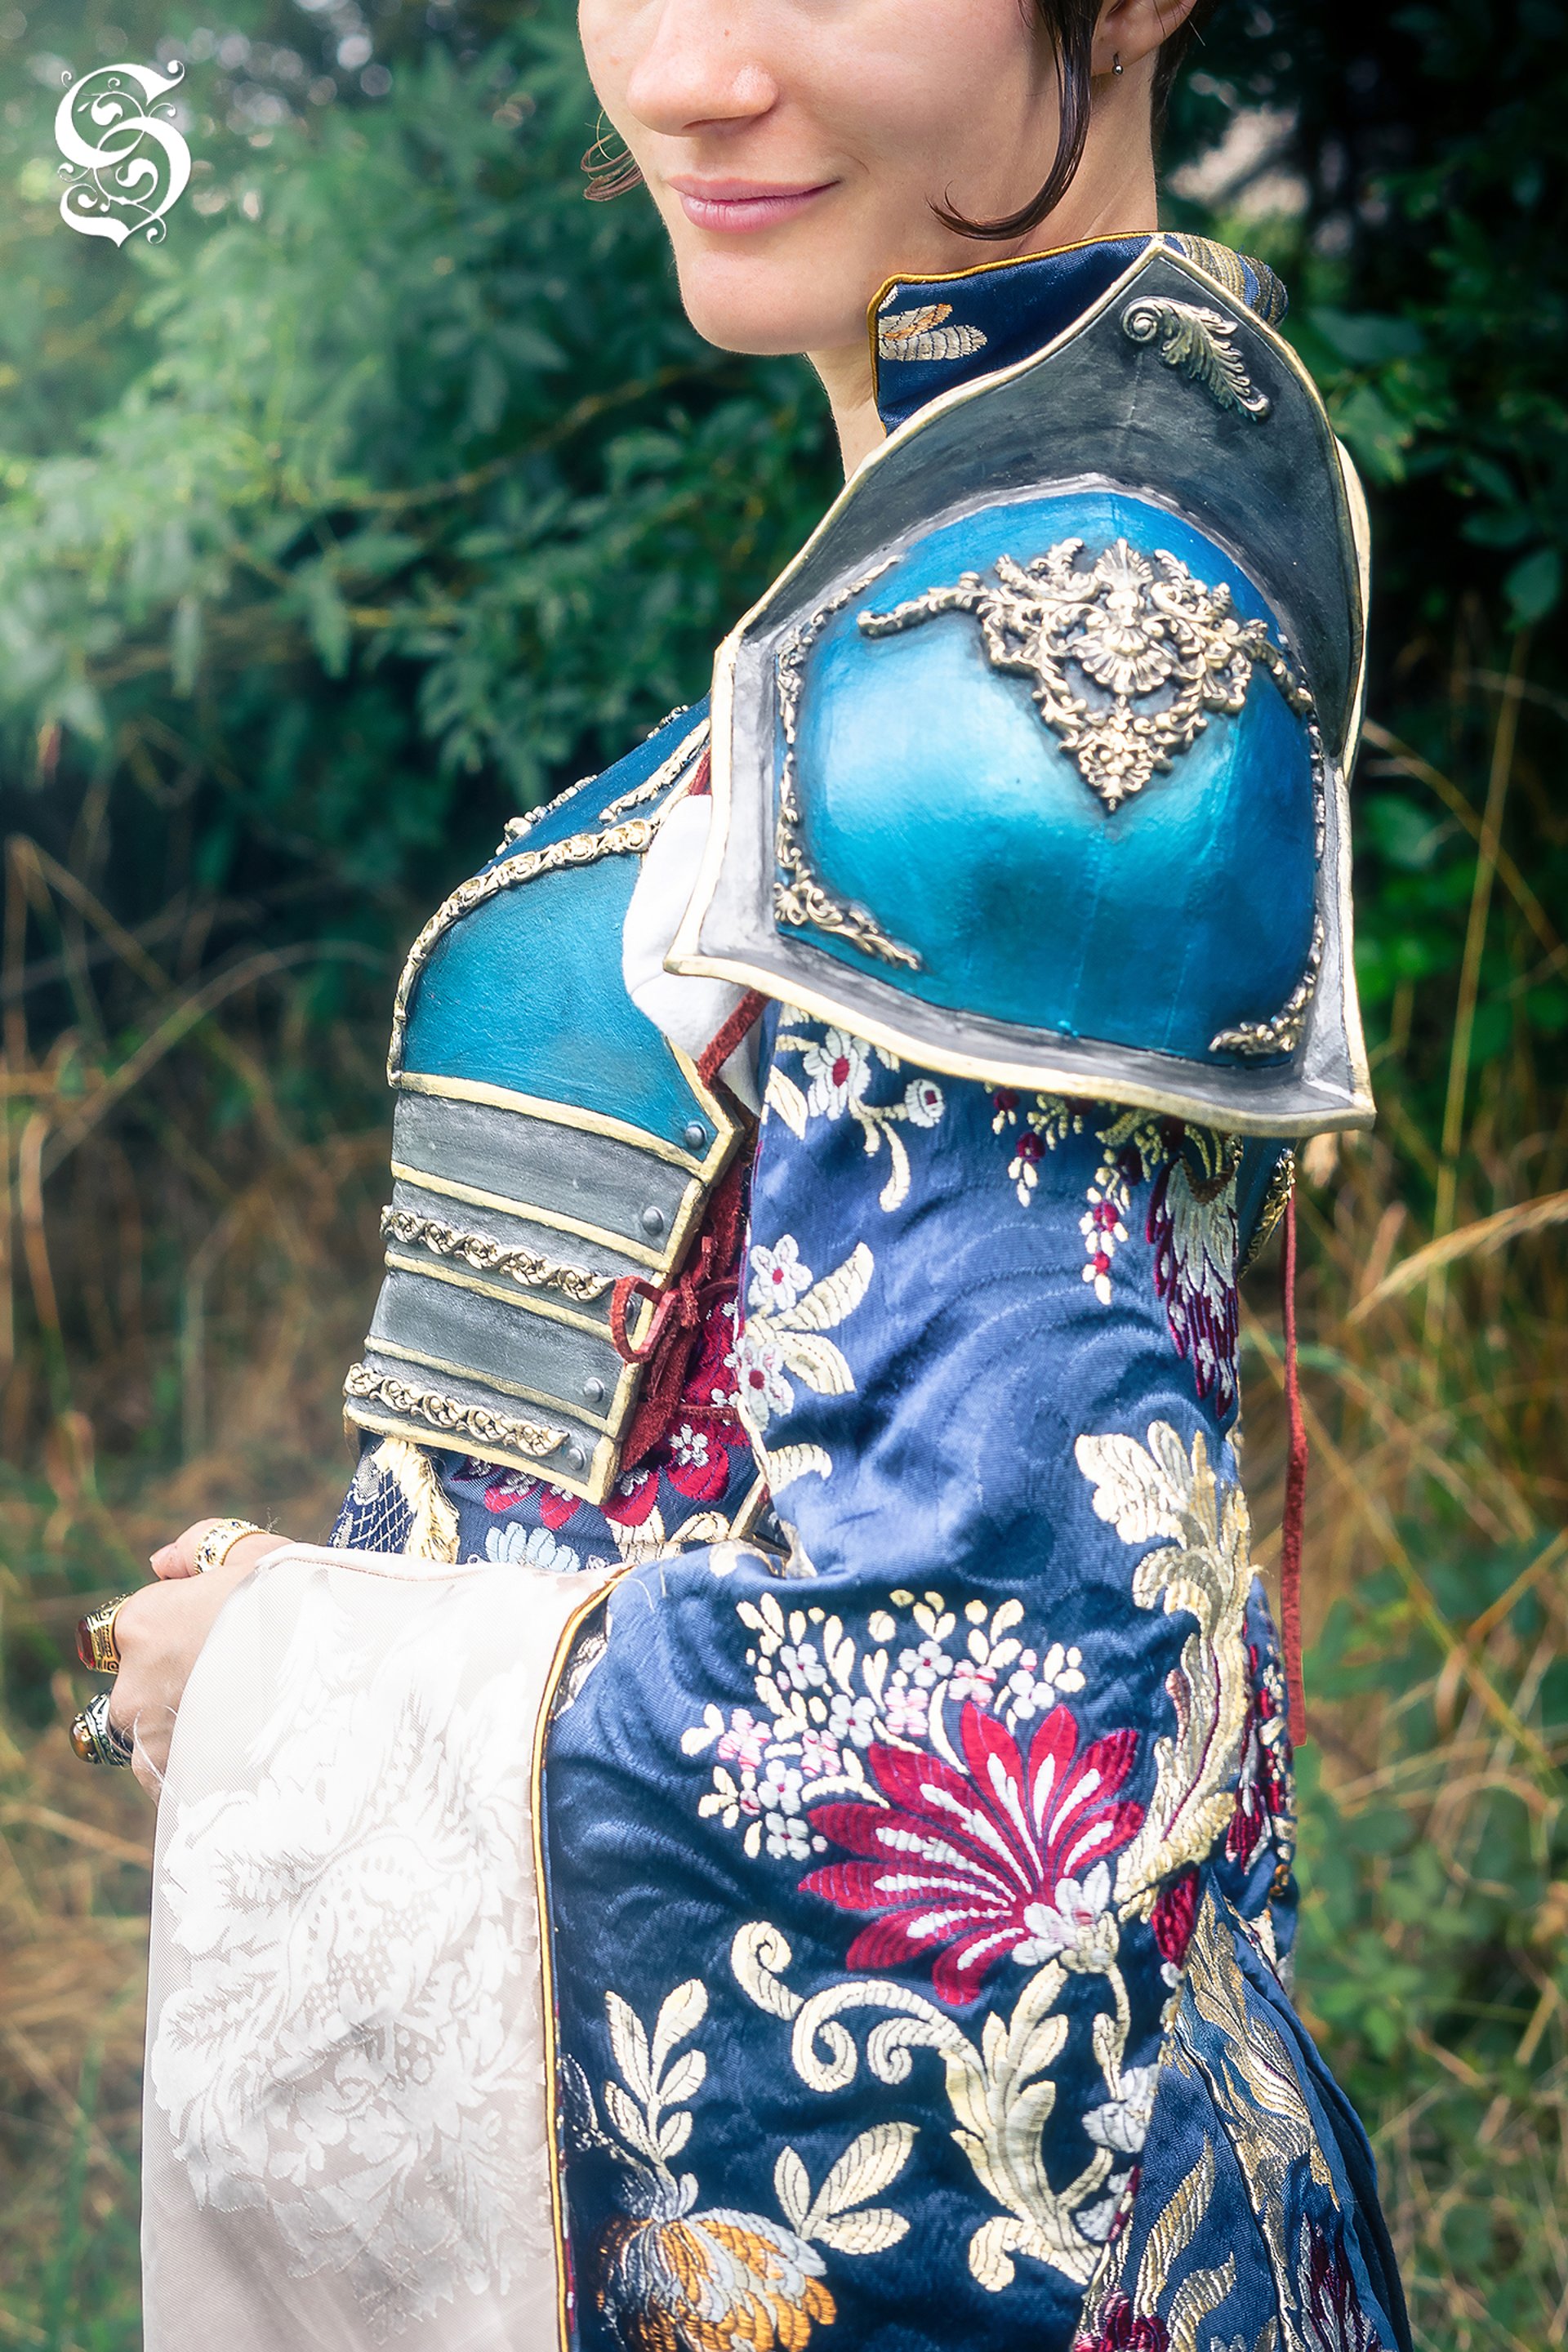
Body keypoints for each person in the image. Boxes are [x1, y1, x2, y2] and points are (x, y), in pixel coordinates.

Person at [74, 1, 1410, 2347]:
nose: (688, 74)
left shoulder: (1050, 647)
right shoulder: (1035, 489)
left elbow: (992, 1715)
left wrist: (296, 1676)